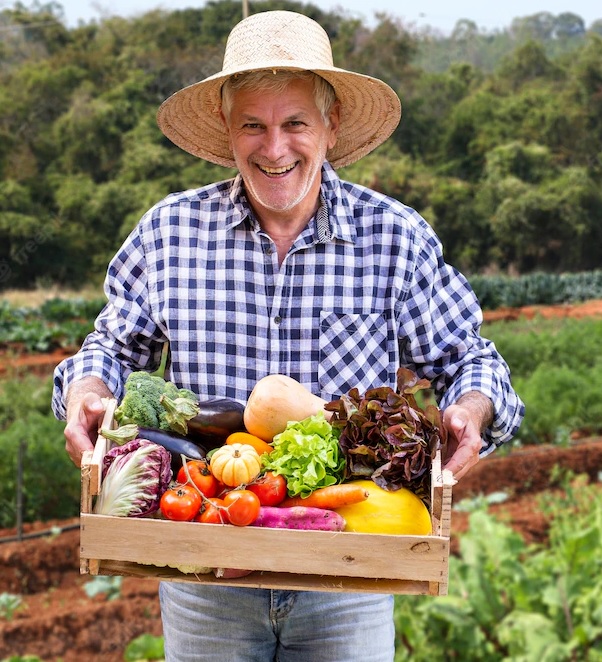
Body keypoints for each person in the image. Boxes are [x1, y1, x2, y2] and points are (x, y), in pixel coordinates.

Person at [52, 10, 524, 661]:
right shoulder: (168, 235)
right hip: (204, 569)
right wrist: (87, 391)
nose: (274, 149)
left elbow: (469, 360)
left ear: (330, 126)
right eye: (254, 124)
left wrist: (471, 411)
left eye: (294, 123)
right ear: (228, 128)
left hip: (350, 571)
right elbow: (109, 349)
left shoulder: (394, 237)